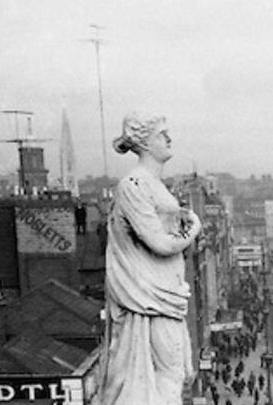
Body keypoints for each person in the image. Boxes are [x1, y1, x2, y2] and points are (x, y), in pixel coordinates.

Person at [101, 113, 203, 405]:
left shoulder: (156, 185)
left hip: (167, 294)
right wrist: (193, 228)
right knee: (168, 374)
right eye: (162, 134)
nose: (169, 139)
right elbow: (159, 243)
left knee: (178, 372)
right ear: (145, 143)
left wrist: (179, 219)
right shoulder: (133, 185)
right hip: (150, 297)